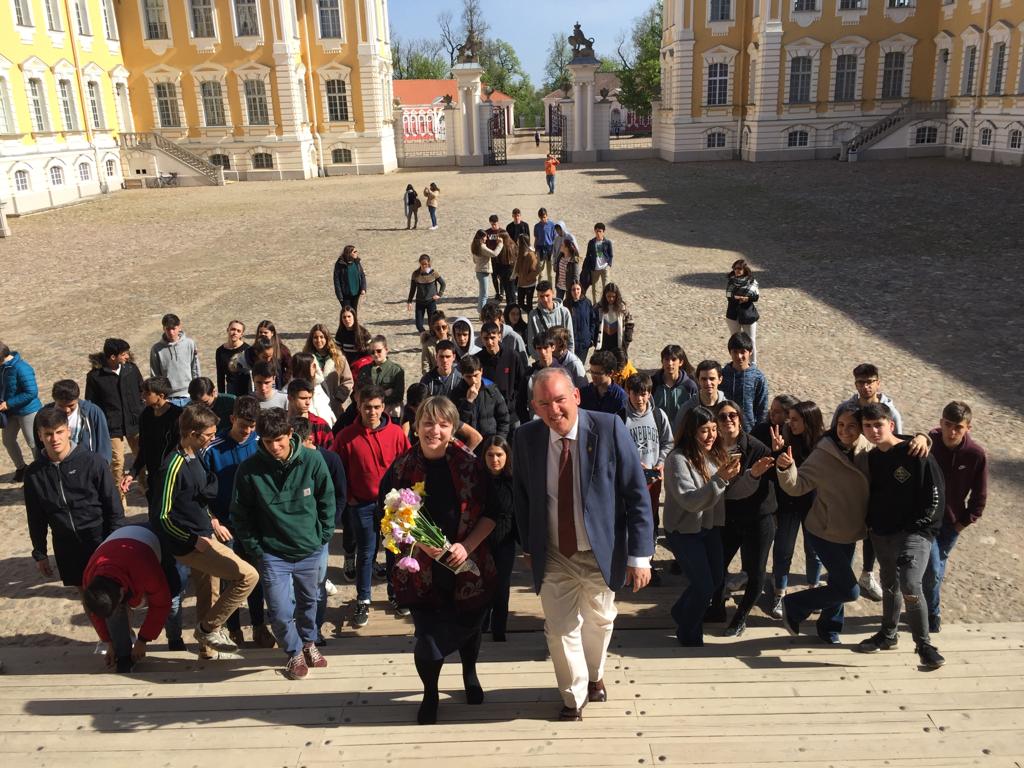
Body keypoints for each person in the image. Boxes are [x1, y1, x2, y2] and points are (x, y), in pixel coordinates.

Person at [513, 367, 653, 721]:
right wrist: (528, 545)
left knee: (600, 621)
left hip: (599, 549)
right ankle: (573, 697)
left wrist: (640, 556)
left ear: (576, 395)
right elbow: (522, 497)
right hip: (554, 552)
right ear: (534, 406)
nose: (554, 410)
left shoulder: (609, 428)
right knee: (560, 629)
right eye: (544, 403)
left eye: (560, 400)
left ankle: (595, 675)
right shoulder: (526, 438)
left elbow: (637, 495)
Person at [381, 396, 497, 725]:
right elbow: (388, 517)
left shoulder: (471, 465)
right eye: (428, 423)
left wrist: (466, 547)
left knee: (469, 623)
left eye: (443, 424)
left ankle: (469, 672)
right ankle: (430, 692)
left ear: (453, 428)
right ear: (416, 426)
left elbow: (494, 513)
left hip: (467, 565)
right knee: (428, 640)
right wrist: (420, 541)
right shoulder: (402, 468)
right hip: (422, 569)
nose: (435, 430)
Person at [231, 407, 335, 679]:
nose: (274, 447)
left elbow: (327, 499)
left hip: (309, 549)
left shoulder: (313, 460)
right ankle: (293, 652)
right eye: (268, 442)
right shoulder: (249, 470)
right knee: (278, 610)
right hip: (273, 554)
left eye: (279, 440)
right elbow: (240, 514)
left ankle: (309, 643)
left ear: (290, 434)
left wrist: (323, 536)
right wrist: (256, 549)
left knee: (309, 603)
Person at [152, 403, 259, 656]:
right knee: (248, 576)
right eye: (209, 434)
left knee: (209, 592)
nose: (212, 438)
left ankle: (207, 649)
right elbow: (161, 516)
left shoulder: (196, 454)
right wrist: (192, 540)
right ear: (192, 433)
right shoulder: (173, 466)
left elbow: (198, 500)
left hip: (204, 534)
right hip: (192, 543)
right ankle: (209, 628)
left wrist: (211, 519)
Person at [856, 402, 945, 670]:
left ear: (891, 425)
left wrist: (922, 525)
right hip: (882, 532)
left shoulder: (916, 451)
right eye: (868, 426)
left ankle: (924, 645)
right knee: (890, 584)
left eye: (878, 425)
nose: (873, 431)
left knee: (909, 583)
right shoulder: (872, 458)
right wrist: (872, 525)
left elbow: (936, 495)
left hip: (915, 533)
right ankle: (888, 634)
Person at [777, 403, 869, 643]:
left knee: (837, 584)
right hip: (824, 530)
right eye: (840, 424)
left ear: (861, 427)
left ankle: (829, 628)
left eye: (851, 425)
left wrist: (922, 438)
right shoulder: (824, 453)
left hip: (850, 530)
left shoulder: (867, 449)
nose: (844, 430)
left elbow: (895, 440)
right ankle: (794, 604)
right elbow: (797, 486)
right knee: (849, 589)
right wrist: (786, 468)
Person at [332, 385, 411, 628]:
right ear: (359, 406)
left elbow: (408, 464)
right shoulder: (346, 436)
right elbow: (338, 471)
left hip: (393, 506)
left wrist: (406, 498)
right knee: (366, 553)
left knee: (393, 551)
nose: (372, 412)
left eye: (377, 407)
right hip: (362, 504)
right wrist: (350, 498)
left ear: (383, 407)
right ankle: (363, 599)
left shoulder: (396, 433)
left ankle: (395, 594)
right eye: (367, 407)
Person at [662, 406, 741, 647]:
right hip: (684, 531)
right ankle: (688, 634)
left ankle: (680, 611)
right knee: (703, 586)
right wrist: (721, 479)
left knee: (715, 581)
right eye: (705, 430)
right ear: (691, 431)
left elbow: (726, 491)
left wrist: (753, 474)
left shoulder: (714, 454)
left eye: (714, 430)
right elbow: (690, 501)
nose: (711, 436)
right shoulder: (677, 460)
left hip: (709, 526)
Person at [26, 406, 125, 588]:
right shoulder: (33, 473)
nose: (54, 439)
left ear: (68, 431)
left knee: (111, 591)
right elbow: (35, 517)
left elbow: (113, 505)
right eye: (48, 434)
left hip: (98, 537)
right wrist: (40, 553)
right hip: (65, 544)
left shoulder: (93, 462)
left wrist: (114, 542)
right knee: (83, 591)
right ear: (40, 436)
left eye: (59, 432)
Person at [205, 395, 275, 650]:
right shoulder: (213, 449)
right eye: (243, 425)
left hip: (255, 524)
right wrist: (213, 519)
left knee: (255, 576)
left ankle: (258, 625)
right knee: (232, 579)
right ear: (232, 418)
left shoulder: (261, 444)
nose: (247, 431)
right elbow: (200, 489)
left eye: (252, 426)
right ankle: (233, 629)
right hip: (225, 526)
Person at [831, 362, 904, 602]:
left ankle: (867, 573)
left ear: (878, 383)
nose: (865, 386)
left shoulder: (889, 411)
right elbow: (834, 436)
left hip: (879, 476)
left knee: (873, 527)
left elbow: (898, 442)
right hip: (851, 475)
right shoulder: (846, 408)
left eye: (870, 381)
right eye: (861, 382)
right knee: (851, 523)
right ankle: (842, 571)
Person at [707, 401, 777, 636]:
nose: (728, 420)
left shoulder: (757, 448)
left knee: (756, 570)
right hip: (729, 517)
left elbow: (772, 479)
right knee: (717, 565)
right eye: (722, 416)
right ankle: (717, 608)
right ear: (716, 422)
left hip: (758, 518)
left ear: (740, 418)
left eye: (733, 415)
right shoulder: (712, 447)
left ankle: (741, 617)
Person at [923, 401, 987, 634]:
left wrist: (963, 523)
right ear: (941, 423)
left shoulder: (975, 454)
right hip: (926, 521)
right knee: (932, 569)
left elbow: (980, 495)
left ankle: (928, 609)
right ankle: (931, 612)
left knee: (936, 567)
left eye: (958, 427)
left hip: (951, 524)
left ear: (968, 428)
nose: (951, 432)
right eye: (948, 425)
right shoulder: (930, 444)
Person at [81, 524, 175, 673]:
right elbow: (97, 614)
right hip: (119, 546)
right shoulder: (90, 578)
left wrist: (143, 640)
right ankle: (123, 656)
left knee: (174, 590)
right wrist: (109, 642)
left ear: (121, 591)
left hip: (151, 540)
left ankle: (175, 640)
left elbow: (161, 604)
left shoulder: (145, 569)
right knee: (113, 610)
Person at [758, 397, 820, 618]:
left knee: (814, 551)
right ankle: (779, 593)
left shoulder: (823, 443)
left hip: (814, 505)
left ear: (808, 421)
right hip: (788, 504)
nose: (789, 423)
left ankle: (814, 591)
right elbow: (774, 473)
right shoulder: (784, 438)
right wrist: (776, 452)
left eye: (794, 419)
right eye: (789, 418)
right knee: (784, 550)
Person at [620, 373, 673, 584]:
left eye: (644, 394)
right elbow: (615, 449)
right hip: (629, 481)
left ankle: (648, 562)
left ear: (650, 394)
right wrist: (632, 464)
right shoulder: (620, 417)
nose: (640, 399)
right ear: (628, 393)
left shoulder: (659, 415)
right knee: (629, 520)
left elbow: (668, 442)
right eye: (636, 394)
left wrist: (661, 462)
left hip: (652, 481)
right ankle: (627, 563)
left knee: (650, 520)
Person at [86, 338, 144, 506]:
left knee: (141, 455)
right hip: (112, 425)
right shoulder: (95, 376)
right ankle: (119, 495)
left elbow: (142, 390)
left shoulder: (131, 369)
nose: (127, 356)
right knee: (118, 461)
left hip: (134, 420)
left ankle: (144, 484)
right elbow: (91, 402)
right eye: (123, 354)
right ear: (112, 357)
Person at [122, 377, 182, 499]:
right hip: (154, 477)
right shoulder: (146, 415)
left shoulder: (178, 416)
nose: (142, 396)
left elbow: (181, 449)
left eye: (147, 393)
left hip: (173, 476)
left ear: (161, 396)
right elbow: (144, 448)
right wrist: (132, 473)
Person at [480, 435, 516, 642]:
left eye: (499, 455)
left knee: (502, 587)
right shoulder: (477, 481)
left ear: (506, 456)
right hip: (481, 541)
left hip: (505, 541)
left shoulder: (513, 481)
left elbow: (519, 515)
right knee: (482, 585)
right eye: (490, 455)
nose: (495, 460)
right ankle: (481, 624)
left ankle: (499, 629)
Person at [43, 379, 112, 464]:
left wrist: (103, 465)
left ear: (77, 399)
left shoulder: (92, 412)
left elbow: (103, 443)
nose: (67, 410)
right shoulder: (44, 415)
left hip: (87, 464)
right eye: (61, 406)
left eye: (71, 405)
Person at [1, 341, 42, 482]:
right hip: (10, 412)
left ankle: (40, 473)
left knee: (33, 443)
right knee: (8, 440)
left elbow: (31, 392)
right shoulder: (2, 367)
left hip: (28, 411)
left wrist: (8, 403)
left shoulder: (22, 368)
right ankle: (21, 468)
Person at [475, 321, 529, 427]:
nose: (489, 342)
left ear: (499, 336)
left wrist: (513, 402)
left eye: (492, 338)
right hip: (489, 415)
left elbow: (521, 383)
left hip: (511, 413)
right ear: (481, 339)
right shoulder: (477, 360)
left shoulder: (512, 356)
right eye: (486, 338)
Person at [452, 355, 510, 444]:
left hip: (490, 443)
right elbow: (457, 424)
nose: (473, 380)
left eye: (476, 375)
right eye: (468, 377)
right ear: (462, 375)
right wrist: (468, 402)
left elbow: (504, 418)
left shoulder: (491, 390)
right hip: (469, 444)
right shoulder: (456, 393)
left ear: (481, 371)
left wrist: (498, 442)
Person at [719, 332, 768, 433]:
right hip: (724, 428)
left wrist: (759, 432)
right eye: (735, 352)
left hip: (749, 431)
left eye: (743, 352)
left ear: (750, 352)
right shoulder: (722, 375)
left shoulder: (758, 378)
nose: (739, 356)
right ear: (730, 352)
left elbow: (762, 409)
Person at [302, 324, 354, 419]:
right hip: (313, 404)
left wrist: (339, 398)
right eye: (315, 337)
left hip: (333, 404)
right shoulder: (306, 359)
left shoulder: (339, 358)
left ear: (327, 338)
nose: (319, 340)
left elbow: (348, 381)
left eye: (322, 337)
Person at [149, 314, 200, 406]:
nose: (171, 332)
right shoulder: (156, 349)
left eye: (174, 328)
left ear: (179, 327)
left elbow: (195, 368)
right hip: (169, 398)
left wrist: (198, 391)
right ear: (163, 329)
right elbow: (155, 375)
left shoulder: (189, 344)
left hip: (189, 395)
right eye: (168, 329)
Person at [673, 360, 728, 436]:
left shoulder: (728, 409)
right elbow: (676, 436)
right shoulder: (687, 409)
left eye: (712, 379)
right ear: (698, 380)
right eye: (704, 379)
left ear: (720, 379)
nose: (708, 383)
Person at [357, 335, 405, 418]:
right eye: (372, 352)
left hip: (389, 412)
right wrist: (385, 393)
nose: (376, 354)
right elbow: (360, 391)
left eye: (379, 351)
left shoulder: (396, 370)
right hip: (369, 412)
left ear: (386, 350)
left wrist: (378, 401)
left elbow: (398, 395)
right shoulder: (364, 370)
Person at [651, 344, 698, 428]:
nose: (670, 363)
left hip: (682, 432)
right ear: (662, 361)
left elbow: (695, 412)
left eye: (673, 359)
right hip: (657, 430)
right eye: (666, 359)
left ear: (681, 362)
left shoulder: (690, 386)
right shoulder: (653, 383)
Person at [725, 259, 760, 364]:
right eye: (735, 268)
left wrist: (747, 298)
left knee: (751, 340)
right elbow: (728, 295)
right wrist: (736, 298)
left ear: (745, 269)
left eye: (739, 268)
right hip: (733, 315)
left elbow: (756, 296)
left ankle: (753, 363)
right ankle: (736, 362)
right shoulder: (731, 281)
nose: (737, 270)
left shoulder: (752, 282)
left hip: (747, 314)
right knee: (735, 340)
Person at [290, 353, 337, 427]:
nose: (316, 367)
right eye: (312, 365)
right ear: (303, 368)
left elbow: (326, 407)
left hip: (325, 429)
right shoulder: (291, 391)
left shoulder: (318, 385)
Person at [527, 281, 573, 352]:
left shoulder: (564, 312)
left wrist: (569, 356)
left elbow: (570, 338)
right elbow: (531, 341)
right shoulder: (533, 315)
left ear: (552, 293)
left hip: (562, 355)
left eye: (547, 295)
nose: (545, 299)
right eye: (541, 296)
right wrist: (541, 357)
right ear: (537, 296)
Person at [286, 379, 333, 448]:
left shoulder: (321, 425)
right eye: (303, 398)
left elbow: (330, 452)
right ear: (290, 398)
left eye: (310, 398)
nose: (308, 402)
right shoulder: (280, 422)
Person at [580, 350, 628, 415]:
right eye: (592, 372)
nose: (593, 376)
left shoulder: (620, 398)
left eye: (598, 373)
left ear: (610, 373)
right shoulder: (584, 392)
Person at [406, 254, 446, 333]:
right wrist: (409, 301)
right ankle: (425, 335)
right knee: (419, 325)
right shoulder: (415, 274)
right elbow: (412, 289)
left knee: (432, 324)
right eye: (422, 264)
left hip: (431, 302)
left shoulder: (434, 273)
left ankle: (431, 337)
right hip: (419, 302)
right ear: (419, 263)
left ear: (429, 263)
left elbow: (443, 284)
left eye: (426, 264)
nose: (424, 266)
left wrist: (439, 294)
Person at [485, 214, 517, 306]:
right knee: (494, 276)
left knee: (503, 278)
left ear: (498, 222)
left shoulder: (503, 232)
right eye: (492, 224)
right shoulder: (487, 232)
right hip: (493, 258)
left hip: (503, 259)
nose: (493, 226)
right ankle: (497, 292)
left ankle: (502, 292)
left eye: (495, 224)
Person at [594, 284, 634, 356]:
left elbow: (630, 322)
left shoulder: (622, 308)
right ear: (605, 296)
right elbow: (592, 323)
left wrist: (628, 338)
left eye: (613, 296)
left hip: (618, 342)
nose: (611, 299)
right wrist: (594, 339)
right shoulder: (598, 307)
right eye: (608, 296)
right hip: (603, 343)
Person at [215, 320, 252, 396]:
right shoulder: (220, 351)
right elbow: (220, 376)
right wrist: (222, 396)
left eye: (238, 331)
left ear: (241, 334)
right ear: (227, 330)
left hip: (246, 389)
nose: (235, 332)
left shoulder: (247, 349)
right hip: (231, 389)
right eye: (233, 329)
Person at [564, 282, 597, 363]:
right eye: (573, 290)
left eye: (578, 289)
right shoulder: (566, 304)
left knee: (580, 364)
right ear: (570, 291)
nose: (576, 292)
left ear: (581, 290)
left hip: (584, 342)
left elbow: (592, 320)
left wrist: (591, 336)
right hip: (570, 343)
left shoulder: (587, 303)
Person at [254, 320, 292, 386]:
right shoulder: (254, 349)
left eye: (265, 332)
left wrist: (284, 380)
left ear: (272, 333)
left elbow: (291, 366)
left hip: (277, 384)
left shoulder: (282, 349)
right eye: (260, 332)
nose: (263, 334)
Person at [583, 223, 614, 303]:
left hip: (605, 268)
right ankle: (595, 305)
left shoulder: (607, 242)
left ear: (603, 232)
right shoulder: (591, 242)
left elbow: (611, 255)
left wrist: (609, 264)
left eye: (600, 231)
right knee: (595, 289)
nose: (598, 233)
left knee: (606, 288)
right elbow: (588, 255)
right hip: (595, 269)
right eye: (597, 231)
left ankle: (606, 304)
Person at [470, 229, 499, 312]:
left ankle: (480, 311)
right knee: (484, 295)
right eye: (485, 237)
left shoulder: (474, 245)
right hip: (483, 272)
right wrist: (500, 244)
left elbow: (474, 260)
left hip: (479, 271)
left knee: (482, 294)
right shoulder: (482, 247)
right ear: (482, 237)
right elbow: (494, 254)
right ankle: (481, 313)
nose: (486, 238)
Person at [513, 233, 542, 311]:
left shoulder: (531, 255)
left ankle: (531, 316)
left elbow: (536, 270)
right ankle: (531, 313)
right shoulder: (519, 253)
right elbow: (517, 265)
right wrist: (516, 274)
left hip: (529, 284)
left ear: (522, 242)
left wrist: (527, 278)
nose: (517, 242)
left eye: (518, 240)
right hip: (521, 283)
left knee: (529, 304)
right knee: (520, 303)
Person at [333, 245, 367, 311]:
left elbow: (362, 275)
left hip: (356, 293)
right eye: (354, 252)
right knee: (347, 312)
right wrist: (340, 296)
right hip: (345, 295)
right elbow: (336, 281)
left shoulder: (356, 262)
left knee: (354, 312)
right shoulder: (340, 264)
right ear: (349, 253)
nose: (356, 253)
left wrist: (363, 288)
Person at [552, 223, 580, 302]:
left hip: (569, 287)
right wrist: (554, 264)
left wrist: (575, 287)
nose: (558, 231)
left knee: (569, 304)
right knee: (558, 303)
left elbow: (576, 275)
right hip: (559, 286)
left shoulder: (574, 260)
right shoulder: (560, 256)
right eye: (557, 230)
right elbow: (554, 252)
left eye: (562, 245)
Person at [419, 311, 452, 375]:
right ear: (433, 329)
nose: (441, 330)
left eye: (444, 327)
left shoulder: (454, 340)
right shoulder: (428, 344)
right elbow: (425, 367)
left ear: (447, 327)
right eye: (438, 328)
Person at [533, 208, 556, 284]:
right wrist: (535, 251)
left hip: (550, 250)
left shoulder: (552, 225)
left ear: (547, 215)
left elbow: (554, 238)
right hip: (540, 250)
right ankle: (539, 288)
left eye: (544, 217)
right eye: (541, 218)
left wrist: (554, 251)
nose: (543, 219)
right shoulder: (537, 226)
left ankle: (551, 289)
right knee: (541, 273)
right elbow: (536, 239)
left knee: (550, 274)